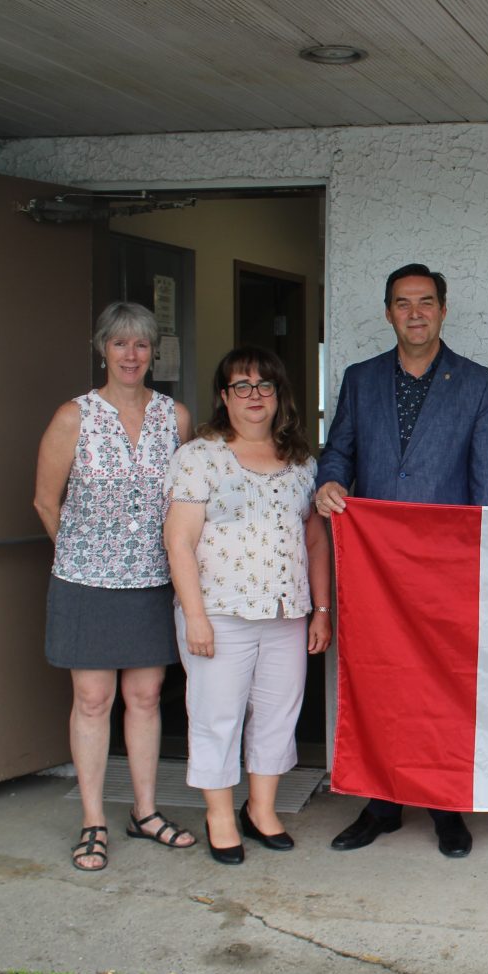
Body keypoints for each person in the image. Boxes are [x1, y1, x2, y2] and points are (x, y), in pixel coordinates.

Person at [318, 263, 488, 859]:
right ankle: (381, 804)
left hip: (445, 570)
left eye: (426, 302)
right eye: (404, 303)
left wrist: (483, 568)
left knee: (443, 685)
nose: (416, 313)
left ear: (444, 311)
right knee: (377, 680)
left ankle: (445, 805)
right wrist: (328, 484)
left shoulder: (479, 384)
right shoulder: (360, 378)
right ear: (388, 313)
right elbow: (339, 451)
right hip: (375, 568)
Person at [33, 301, 196, 871]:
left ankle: (145, 812)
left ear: (155, 352)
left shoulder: (174, 418)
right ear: (102, 348)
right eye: (120, 343)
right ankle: (93, 820)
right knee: (93, 700)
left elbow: (185, 502)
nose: (131, 355)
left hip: (154, 579)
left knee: (147, 698)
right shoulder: (73, 417)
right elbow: (45, 502)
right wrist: (85, 553)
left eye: (142, 345)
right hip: (86, 581)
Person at [163, 347, 332, 865]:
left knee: (279, 714)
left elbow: (316, 540)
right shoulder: (199, 456)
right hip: (218, 611)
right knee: (217, 716)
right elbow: (179, 542)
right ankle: (219, 815)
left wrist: (321, 609)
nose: (254, 397)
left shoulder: (302, 461)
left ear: (279, 395)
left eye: (265, 386)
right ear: (224, 396)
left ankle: (261, 810)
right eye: (242, 386)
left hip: (286, 612)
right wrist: (194, 615)